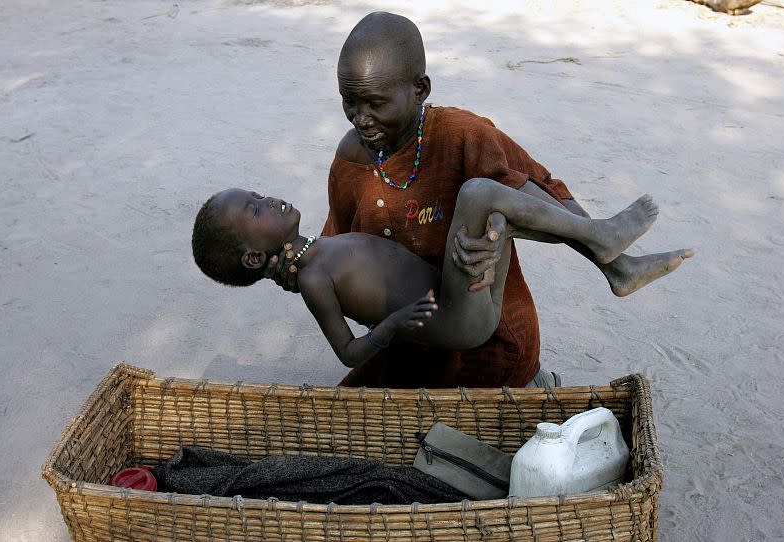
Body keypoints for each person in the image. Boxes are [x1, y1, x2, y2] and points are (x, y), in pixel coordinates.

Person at [264, 12, 693, 388]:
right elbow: (337, 249)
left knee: (490, 194)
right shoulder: (350, 161)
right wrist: (295, 270)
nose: (361, 118)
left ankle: (611, 258)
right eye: (349, 102)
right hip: (411, 342)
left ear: (420, 89)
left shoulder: (463, 134)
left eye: (376, 103)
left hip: (489, 336)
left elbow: (541, 196)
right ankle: (614, 261)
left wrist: (495, 232)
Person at [192, 181, 689, 371]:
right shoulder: (314, 280)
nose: (269, 199)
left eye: (257, 193)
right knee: (476, 193)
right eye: (255, 210)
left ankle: (613, 262)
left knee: (497, 203)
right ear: (255, 258)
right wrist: (392, 325)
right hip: (459, 320)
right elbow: (347, 353)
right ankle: (601, 241)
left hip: (463, 291)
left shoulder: (316, 251)